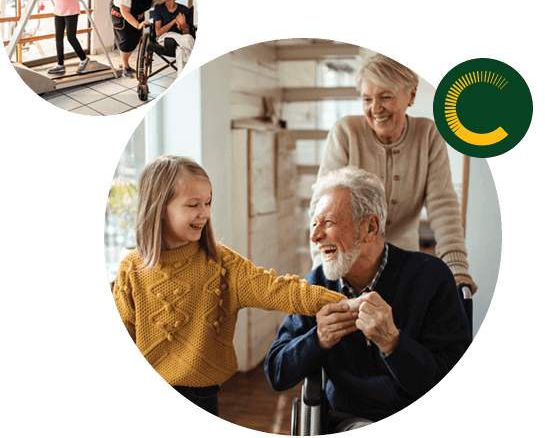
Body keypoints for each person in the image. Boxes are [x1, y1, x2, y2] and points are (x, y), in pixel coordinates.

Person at [112, 156, 344, 417]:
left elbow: (278, 290)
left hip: (202, 397)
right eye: (193, 205)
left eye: (208, 203)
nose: (205, 213)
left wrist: (339, 301)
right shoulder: (131, 269)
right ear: (158, 208)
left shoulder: (222, 264)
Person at [266, 166, 471, 429]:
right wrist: (317, 339)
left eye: (328, 223)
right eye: (314, 223)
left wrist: (393, 344)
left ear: (370, 227)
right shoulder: (315, 285)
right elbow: (276, 372)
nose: (314, 236)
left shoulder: (431, 278)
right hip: (347, 420)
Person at [310, 53, 477, 293]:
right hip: (350, 267)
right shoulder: (346, 133)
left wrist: (457, 266)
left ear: (411, 95)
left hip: (404, 266)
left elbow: (443, 206)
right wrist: (323, 274)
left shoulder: (428, 135)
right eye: (367, 99)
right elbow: (322, 207)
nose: (375, 109)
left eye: (385, 97)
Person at [110, 0, 163, 77]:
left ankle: (124, 63)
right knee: (125, 40)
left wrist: (165, 0)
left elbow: (153, 3)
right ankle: (125, 66)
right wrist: (137, 24)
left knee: (134, 39)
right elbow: (125, 11)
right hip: (120, 14)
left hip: (136, 13)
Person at [153, 0, 195, 77]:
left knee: (181, 51)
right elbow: (158, 33)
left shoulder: (184, 10)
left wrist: (183, 25)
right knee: (188, 39)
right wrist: (174, 21)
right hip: (164, 39)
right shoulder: (159, 9)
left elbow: (187, 31)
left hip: (180, 41)